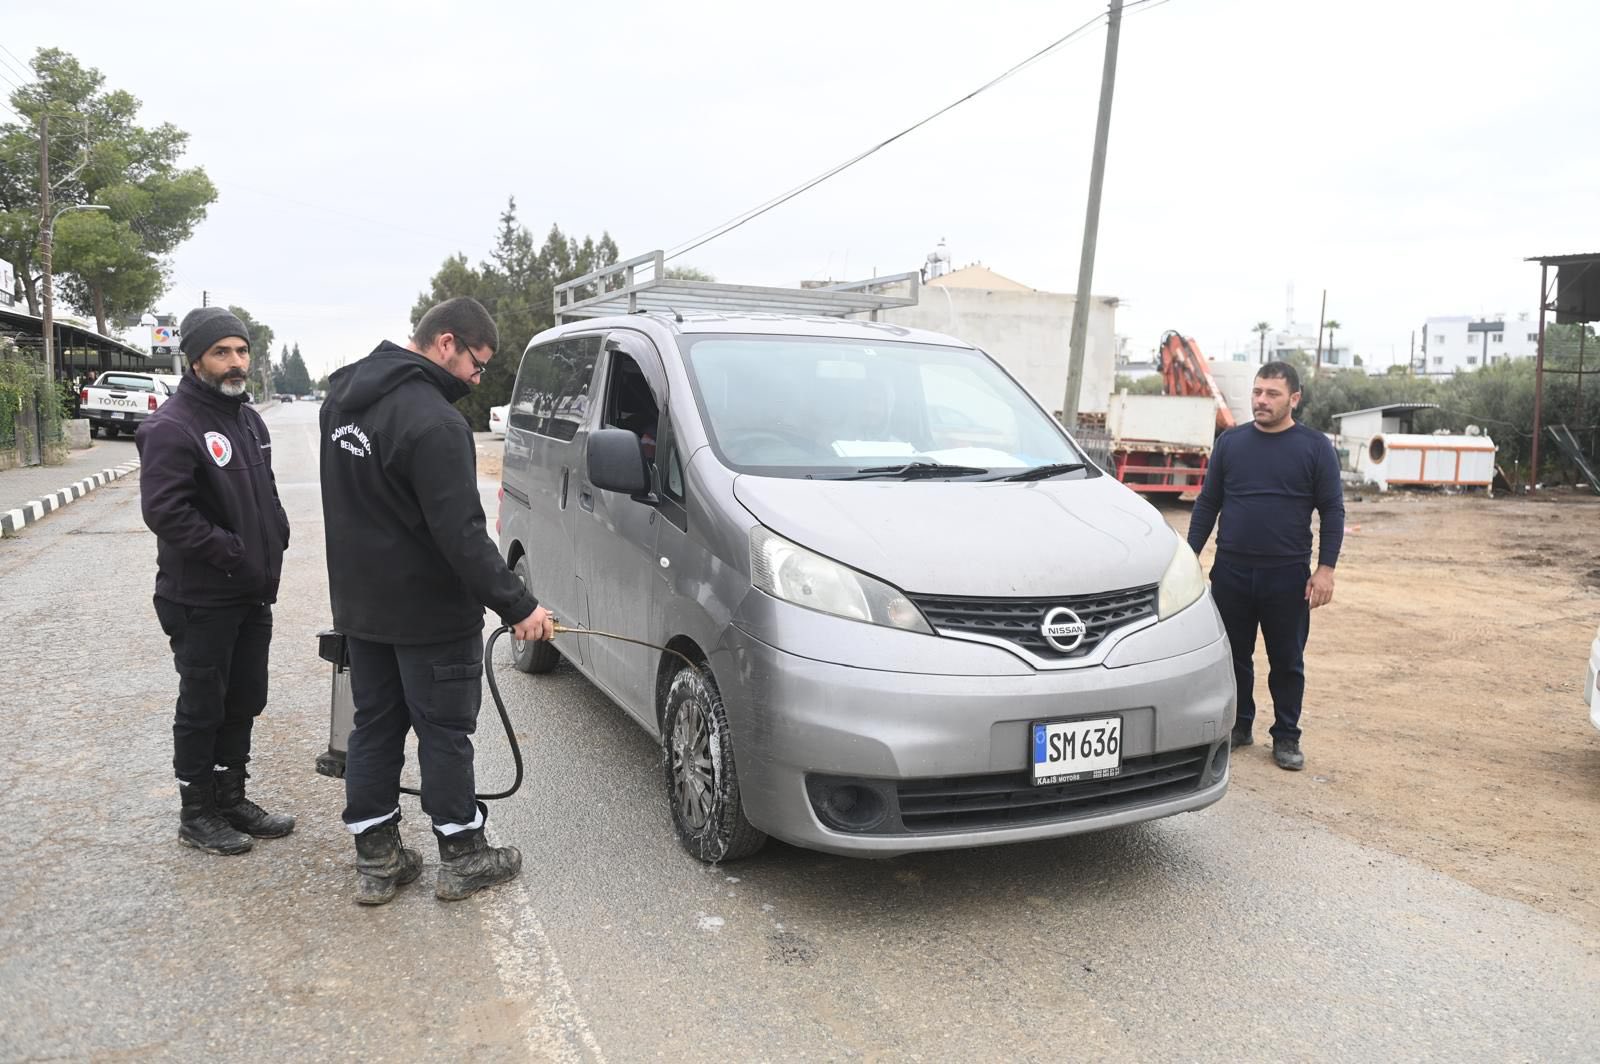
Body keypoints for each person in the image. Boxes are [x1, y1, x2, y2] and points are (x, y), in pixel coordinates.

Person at [319, 296, 555, 906]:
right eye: (477, 365)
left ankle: (377, 858)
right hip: (429, 617)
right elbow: (462, 536)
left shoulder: (342, 403)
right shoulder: (435, 423)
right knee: (445, 734)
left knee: (373, 727)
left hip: (362, 610)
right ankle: (463, 854)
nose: (478, 382)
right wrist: (519, 606)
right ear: (445, 342)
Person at [136, 307, 294, 855]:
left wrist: (276, 531)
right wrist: (230, 551)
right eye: (222, 352)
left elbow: (266, 493)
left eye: (241, 351)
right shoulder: (171, 426)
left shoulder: (249, 421)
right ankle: (196, 810)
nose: (235, 363)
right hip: (200, 597)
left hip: (250, 590)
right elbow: (165, 512)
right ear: (195, 358)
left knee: (244, 697)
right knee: (203, 704)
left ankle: (231, 797)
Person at [1186, 360, 1344, 771]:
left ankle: (1287, 737)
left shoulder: (1315, 447)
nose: (1261, 400)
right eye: (1257, 392)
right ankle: (1240, 725)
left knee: (1286, 660)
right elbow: (1208, 503)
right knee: (1234, 656)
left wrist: (1325, 569)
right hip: (1232, 571)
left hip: (1287, 575)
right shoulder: (1231, 443)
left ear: (1294, 398)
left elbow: (1332, 510)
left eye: (1272, 394)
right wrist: (1189, 556)